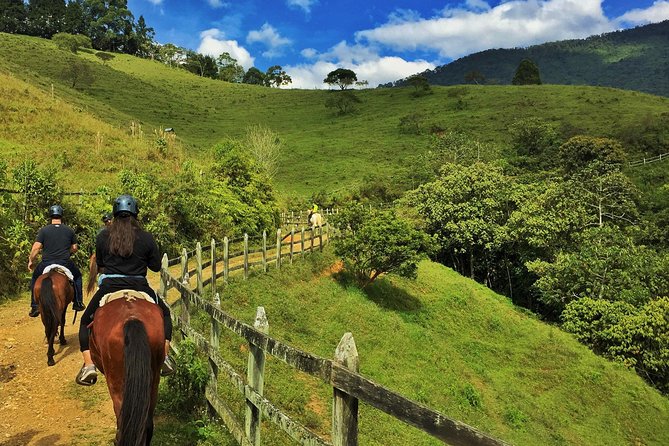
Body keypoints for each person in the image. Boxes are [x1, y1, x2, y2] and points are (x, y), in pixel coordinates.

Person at [76, 195, 175, 385]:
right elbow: (155, 266)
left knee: (84, 321)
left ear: (114, 214)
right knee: (165, 314)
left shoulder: (104, 236)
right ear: (135, 214)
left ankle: (88, 366)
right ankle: (164, 357)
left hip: (109, 287)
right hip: (139, 286)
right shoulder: (146, 237)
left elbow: (102, 263)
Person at [28, 205, 85, 317]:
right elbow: (74, 248)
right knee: (77, 276)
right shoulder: (69, 230)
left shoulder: (44, 231)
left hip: (46, 262)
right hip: (64, 262)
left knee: (35, 278)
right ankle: (78, 302)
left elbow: (36, 248)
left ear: (50, 216)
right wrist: (67, 252)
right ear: (61, 216)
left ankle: (35, 306)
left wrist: (31, 260)